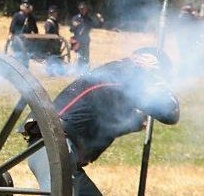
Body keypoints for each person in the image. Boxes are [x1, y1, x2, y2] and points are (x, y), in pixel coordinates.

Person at [22, 47, 180, 195]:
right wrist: (160, 84)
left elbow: (107, 116)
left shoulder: (117, 76)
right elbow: (170, 114)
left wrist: (133, 121)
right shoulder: (127, 74)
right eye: (157, 72)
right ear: (141, 61)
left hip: (58, 150)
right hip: (54, 147)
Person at [70, 2, 104, 73]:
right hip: (77, 40)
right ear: (79, 9)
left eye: (83, 9)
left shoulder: (89, 19)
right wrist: (75, 26)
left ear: (86, 9)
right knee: (79, 57)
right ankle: (78, 72)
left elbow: (98, 26)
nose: (82, 10)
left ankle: (84, 72)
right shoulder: (75, 18)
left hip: (85, 40)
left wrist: (100, 19)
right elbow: (71, 29)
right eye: (81, 9)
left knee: (86, 58)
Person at [8, 0, 38, 67]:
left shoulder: (31, 17)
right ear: (21, 6)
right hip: (18, 39)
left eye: (28, 6)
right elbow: (12, 27)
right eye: (25, 6)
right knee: (18, 55)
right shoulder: (17, 16)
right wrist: (11, 35)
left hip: (28, 39)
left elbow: (35, 29)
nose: (27, 8)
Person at [44, 5, 65, 76]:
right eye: (53, 13)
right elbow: (48, 33)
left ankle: (60, 71)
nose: (54, 14)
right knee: (52, 58)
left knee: (57, 58)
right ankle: (50, 72)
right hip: (51, 44)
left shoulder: (54, 22)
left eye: (54, 13)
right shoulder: (49, 22)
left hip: (55, 43)